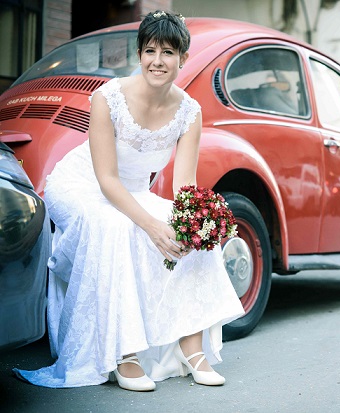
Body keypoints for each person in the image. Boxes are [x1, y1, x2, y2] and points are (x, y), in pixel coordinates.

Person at [13, 10, 244, 391]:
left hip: (133, 190)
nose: (158, 60)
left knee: (194, 234)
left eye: (168, 52)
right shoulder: (108, 98)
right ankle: (125, 354)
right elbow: (106, 180)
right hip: (81, 186)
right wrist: (152, 226)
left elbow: (185, 184)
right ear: (139, 54)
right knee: (120, 228)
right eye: (150, 50)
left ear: (183, 59)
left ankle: (192, 348)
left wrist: (194, 222)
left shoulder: (189, 111)